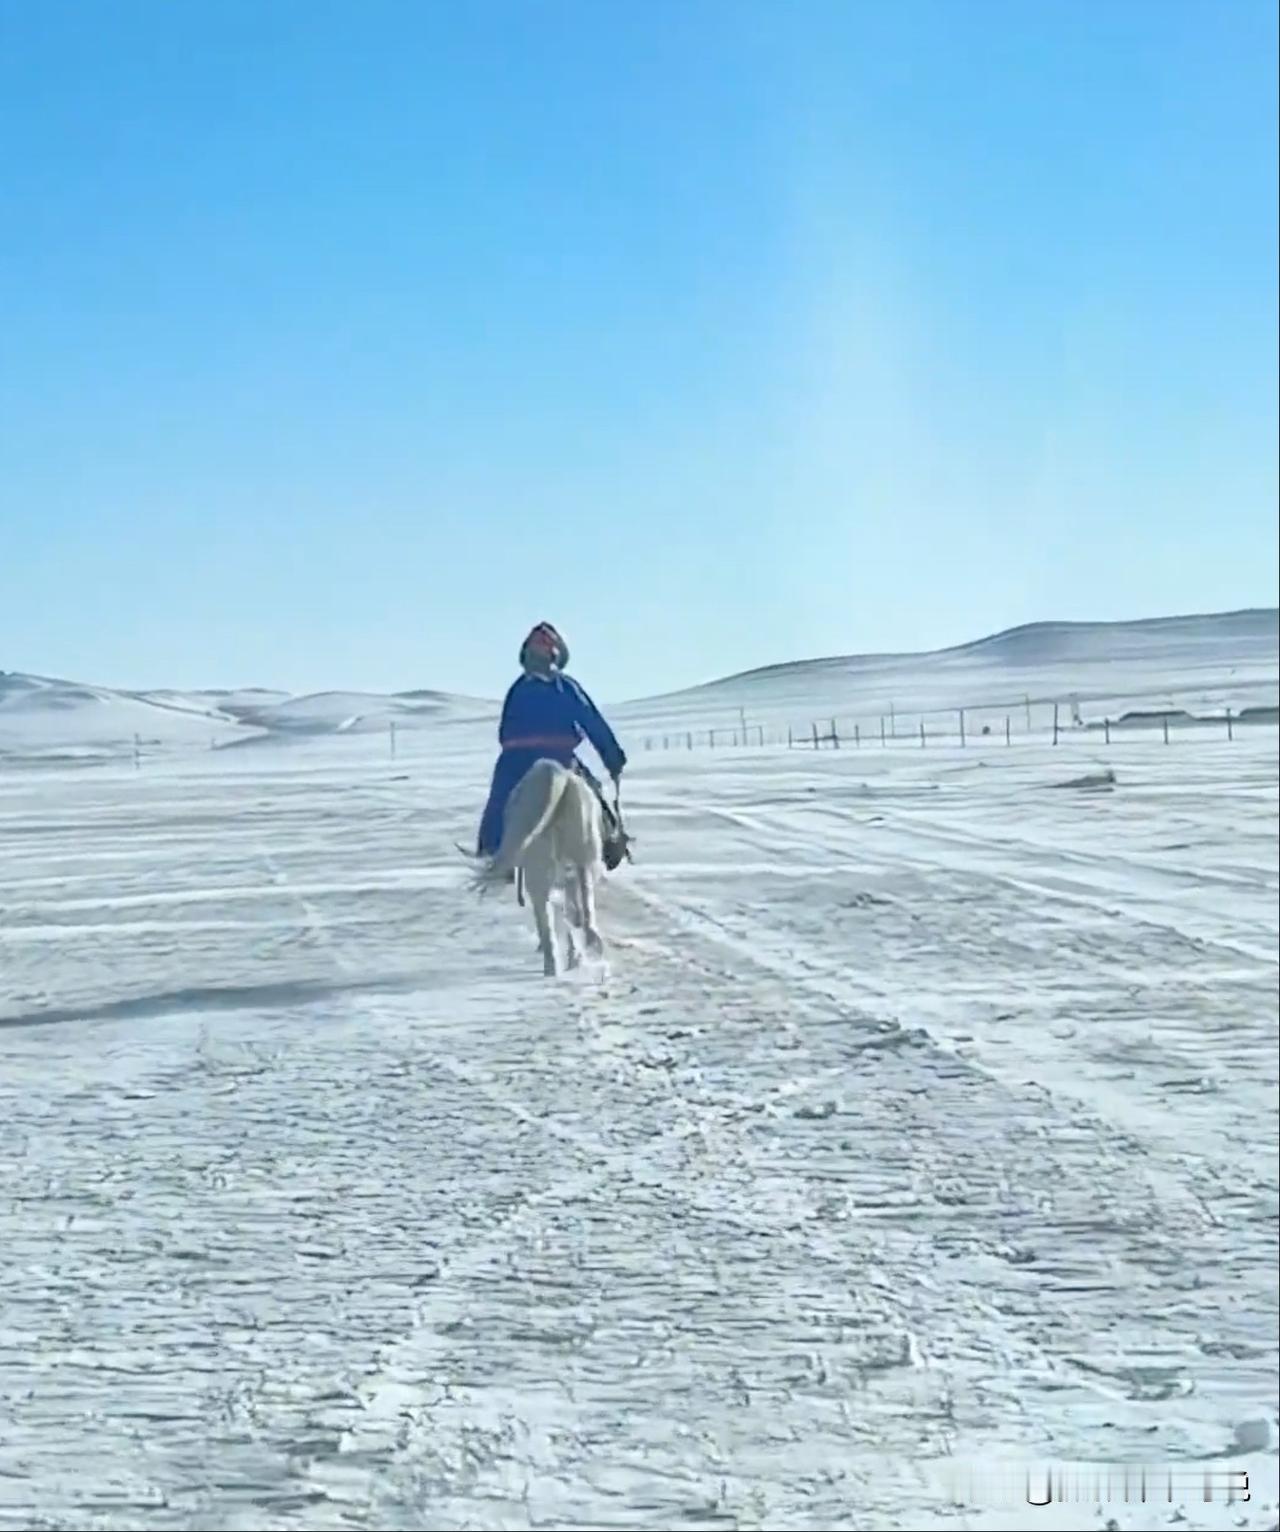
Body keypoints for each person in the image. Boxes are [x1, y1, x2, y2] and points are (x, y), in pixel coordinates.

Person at [476, 622, 628, 867]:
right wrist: (613, 759)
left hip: (516, 762)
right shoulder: (566, 687)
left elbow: (505, 733)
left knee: (499, 806)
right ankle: (610, 844)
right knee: (596, 797)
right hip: (560, 758)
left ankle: (491, 853)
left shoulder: (517, 689)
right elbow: (592, 721)